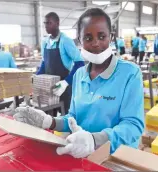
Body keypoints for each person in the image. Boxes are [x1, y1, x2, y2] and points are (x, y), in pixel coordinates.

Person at [14, 8, 144, 158]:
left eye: (102, 36)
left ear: (111, 37)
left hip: (115, 156)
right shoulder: (79, 75)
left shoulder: (130, 73)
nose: (96, 43)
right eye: (88, 38)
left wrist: (94, 140)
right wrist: (50, 122)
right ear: (79, 40)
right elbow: (73, 118)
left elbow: (133, 126)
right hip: (80, 152)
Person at [37, 12, 84, 114]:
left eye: (49, 23)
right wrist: (36, 78)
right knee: (49, 117)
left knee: (66, 115)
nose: (46, 26)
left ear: (57, 23)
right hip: (49, 88)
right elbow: (44, 63)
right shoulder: (45, 42)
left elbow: (80, 63)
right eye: (45, 23)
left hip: (63, 88)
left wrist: (66, 82)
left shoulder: (65, 41)